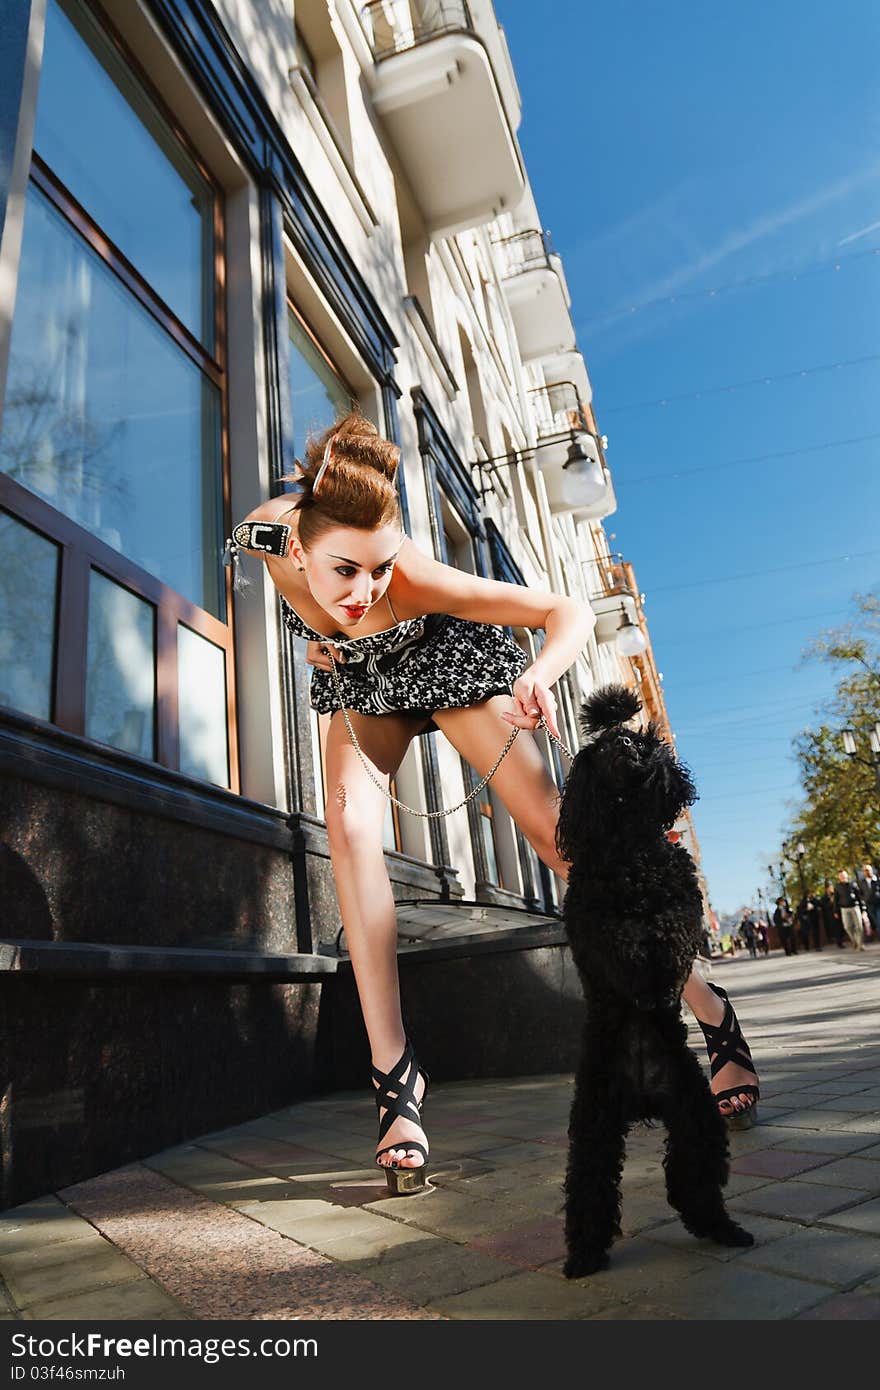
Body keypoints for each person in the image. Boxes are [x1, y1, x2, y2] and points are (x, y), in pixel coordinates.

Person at [231, 412, 762, 1182]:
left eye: (378, 569)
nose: (366, 589)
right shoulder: (269, 538)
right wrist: (315, 638)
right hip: (360, 684)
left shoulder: (415, 578)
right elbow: (235, 550)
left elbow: (565, 612)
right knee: (347, 830)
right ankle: (395, 1076)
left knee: (564, 844)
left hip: (448, 662)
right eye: (344, 569)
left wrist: (537, 676)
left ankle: (710, 1008)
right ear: (302, 547)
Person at [834, 870, 866, 951]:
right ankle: (854, 941)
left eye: (844, 875)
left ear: (847, 876)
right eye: (841, 876)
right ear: (839, 877)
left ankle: (860, 944)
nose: (843, 877)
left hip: (855, 907)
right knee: (847, 927)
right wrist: (835, 911)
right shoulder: (837, 887)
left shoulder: (853, 884)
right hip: (844, 909)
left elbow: (859, 897)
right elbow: (836, 899)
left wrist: (863, 909)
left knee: (859, 926)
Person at [819, 879, 844, 947]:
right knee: (836, 929)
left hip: (839, 913)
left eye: (832, 887)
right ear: (827, 889)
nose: (831, 889)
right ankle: (839, 942)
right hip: (830, 916)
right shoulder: (824, 898)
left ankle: (841, 939)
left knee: (841, 927)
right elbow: (823, 907)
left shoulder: (836, 894)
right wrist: (830, 902)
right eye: (829, 887)